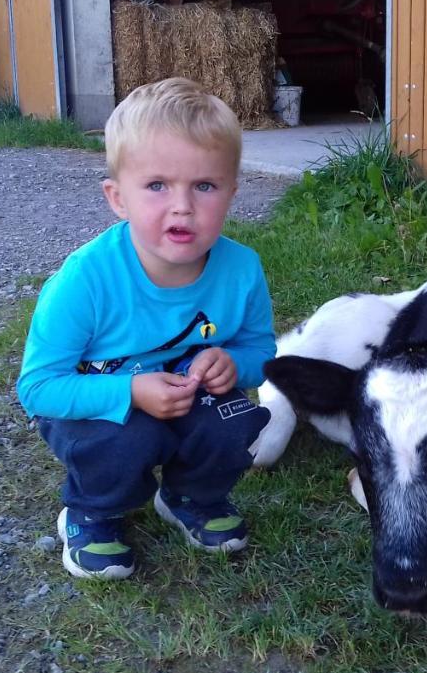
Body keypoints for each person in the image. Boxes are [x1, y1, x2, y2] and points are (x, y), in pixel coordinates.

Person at [16, 77, 275, 580]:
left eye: (205, 185)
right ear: (117, 197)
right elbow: (38, 388)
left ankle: (190, 497)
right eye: (157, 185)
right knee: (126, 440)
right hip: (93, 403)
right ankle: (93, 512)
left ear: (232, 192)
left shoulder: (242, 270)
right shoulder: (85, 281)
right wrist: (130, 391)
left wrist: (233, 362)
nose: (182, 206)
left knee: (237, 417)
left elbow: (261, 350)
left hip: (186, 395)